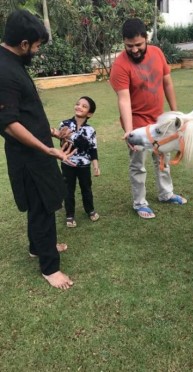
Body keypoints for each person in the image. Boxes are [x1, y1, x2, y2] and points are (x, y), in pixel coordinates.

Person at [0, 10, 74, 290]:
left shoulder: (12, 62)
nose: (38, 50)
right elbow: (8, 124)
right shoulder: (4, 71)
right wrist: (47, 148)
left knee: (39, 203)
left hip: (36, 151)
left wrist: (52, 132)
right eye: (36, 45)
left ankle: (39, 246)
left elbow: (26, 112)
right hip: (29, 157)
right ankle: (49, 267)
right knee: (42, 204)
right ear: (23, 44)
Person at [110, 18, 187, 219]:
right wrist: (129, 131)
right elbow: (124, 100)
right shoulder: (120, 65)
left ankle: (166, 193)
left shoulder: (157, 54)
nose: (134, 50)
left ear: (146, 38)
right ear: (123, 43)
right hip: (137, 123)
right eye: (129, 46)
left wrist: (175, 113)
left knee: (163, 157)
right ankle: (139, 202)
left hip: (159, 120)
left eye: (138, 45)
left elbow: (167, 84)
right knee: (138, 163)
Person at [58, 96, 100, 228]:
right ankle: (70, 215)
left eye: (84, 106)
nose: (79, 107)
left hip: (84, 165)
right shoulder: (64, 124)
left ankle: (90, 210)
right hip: (67, 163)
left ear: (90, 113)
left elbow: (91, 148)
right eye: (78, 104)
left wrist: (95, 166)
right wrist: (66, 137)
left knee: (86, 188)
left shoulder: (90, 130)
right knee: (68, 190)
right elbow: (63, 143)